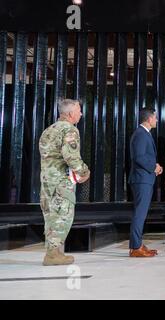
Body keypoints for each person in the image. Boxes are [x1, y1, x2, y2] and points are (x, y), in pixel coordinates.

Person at [39, 99, 90, 266]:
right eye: (79, 111)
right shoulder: (70, 130)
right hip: (61, 181)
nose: (81, 114)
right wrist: (84, 171)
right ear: (70, 114)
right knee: (63, 215)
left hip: (47, 181)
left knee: (51, 216)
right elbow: (71, 156)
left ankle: (54, 252)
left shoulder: (48, 130)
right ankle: (53, 255)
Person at [128, 108, 162, 257]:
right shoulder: (141, 134)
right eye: (155, 117)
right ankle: (135, 247)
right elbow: (139, 157)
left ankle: (138, 244)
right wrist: (154, 166)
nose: (156, 120)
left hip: (144, 178)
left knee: (141, 213)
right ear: (149, 119)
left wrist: (155, 166)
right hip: (141, 179)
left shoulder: (144, 134)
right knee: (139, 214)